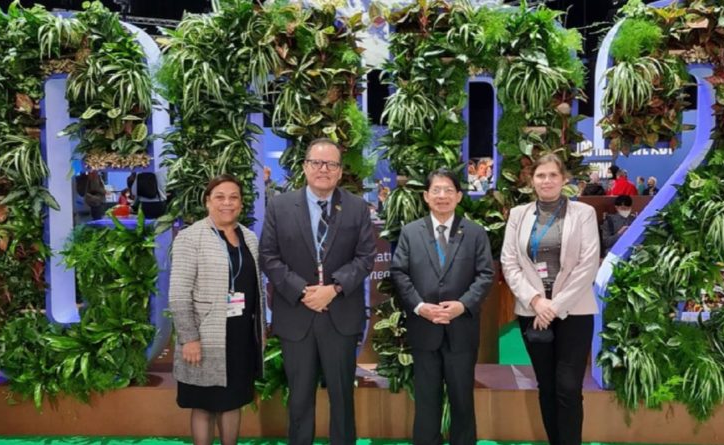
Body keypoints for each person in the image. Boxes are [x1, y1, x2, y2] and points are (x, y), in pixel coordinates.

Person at [260, 138, 376, 445]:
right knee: (299, 399)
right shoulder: (280, 206)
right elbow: (268, 257)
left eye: (331, 164)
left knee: (341, 398)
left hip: (340, 316)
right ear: (305, 167)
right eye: (316, 163)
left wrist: (334, 288)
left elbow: (365, 258)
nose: (323, 169)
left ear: (339, 172)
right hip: (296, 317)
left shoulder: (356, 207)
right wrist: (302, 291)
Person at [500, 153, 600, 445]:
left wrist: (554, 306)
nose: (547, 181)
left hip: (574, 311)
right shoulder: (519, 214)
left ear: (564, 179)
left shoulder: (583, 213)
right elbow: (509, 262)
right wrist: (536, 301)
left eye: (553, 175)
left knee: (568, 386)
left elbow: (588, 264)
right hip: (533, 312)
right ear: (532, 181)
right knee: (546, 385)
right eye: (541, 176)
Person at [390, 168, 493, 445]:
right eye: (436, 190)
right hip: (425, 329)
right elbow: (399, 273)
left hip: (461, 329)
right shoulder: (411, 233)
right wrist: (420, 306)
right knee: (426, 401)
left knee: (462, 401)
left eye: (449, 190)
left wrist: (463, 305)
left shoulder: (474, 233)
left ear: (459, 196)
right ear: (426, 196)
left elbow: (485, 275)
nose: (442, 196)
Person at [169, 174, 266, 445]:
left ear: (241, 203)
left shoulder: (248, 237)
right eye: (220, 197)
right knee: (204, 404)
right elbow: (178, 294)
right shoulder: (190, 237)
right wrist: (189, 338)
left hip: (240, 336)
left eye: (233, 197)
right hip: (206, 337)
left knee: (233, 401)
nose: (227, 203)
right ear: (207, 202)